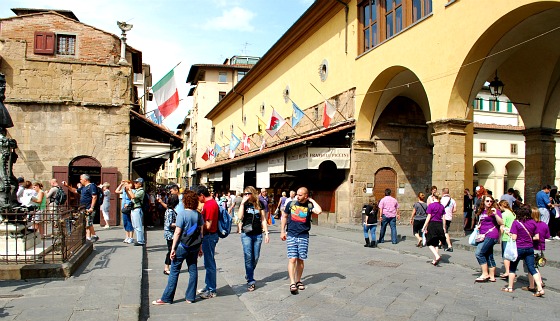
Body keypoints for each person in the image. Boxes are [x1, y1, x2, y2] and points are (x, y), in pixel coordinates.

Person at [152, 190, 203, 305]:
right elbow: (201, 233)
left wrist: (173, 248)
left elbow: (178, 233)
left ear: (185, 201)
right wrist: (200, 248)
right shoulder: (198, 215)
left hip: (182, 245)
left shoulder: (182, 214)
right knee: (193, 269)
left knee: (174, 270)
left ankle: (167, 298)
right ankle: (190, 297)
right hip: (194, 246)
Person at [281, 187, 322, 295]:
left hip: (303, 236)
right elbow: (284, 216)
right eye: (297, 194)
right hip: (291, 234)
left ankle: (298, 280)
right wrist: (282, 231)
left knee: (300, 259)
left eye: (300, 195)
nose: (297, 196)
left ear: (305, 196)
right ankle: (292, 282)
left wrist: (312, 200)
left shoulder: (309, 205)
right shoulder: (291, 204)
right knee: (292, 259)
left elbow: (319, 211)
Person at [503, 205, 545, 297]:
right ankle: (540, 289)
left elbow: (514, 237)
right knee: (532, 268)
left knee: (513, 268)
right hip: (529, 248)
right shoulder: (533, 222)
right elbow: (537, 237)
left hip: (518, 248)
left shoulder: (516, 223)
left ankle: (510, 287)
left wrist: (508, 233)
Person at [238, 186, 270, 291]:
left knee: (255, 257)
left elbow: (263, 219)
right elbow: (239, 217)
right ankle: (251, 280)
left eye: (248, 193)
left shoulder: (259, 203)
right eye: (245, 194)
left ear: (253, 193)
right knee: (248, 256)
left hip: (257, 234)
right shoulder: (244, 204)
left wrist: (266, 233)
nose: (246, 195)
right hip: (246, 234)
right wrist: (242, 203)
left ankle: (249, 273)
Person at [196, 185, 220, 299]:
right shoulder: (210, 204)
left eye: (198, 197)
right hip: (209, 236)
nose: (197, 200)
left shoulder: (210, 205)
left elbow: (208, 226)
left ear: (201, 195)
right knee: (208, 263)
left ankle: (211, 290)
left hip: (209, 236)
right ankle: (208, 285)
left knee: (209, 264)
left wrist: (199, 226)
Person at [474, 194, 503, 283]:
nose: (489, 203)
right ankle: (492, 276)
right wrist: (479, 226)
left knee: (479, 253)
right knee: (489, 255)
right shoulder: (482, 211)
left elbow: (501, 222)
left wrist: (495, 215)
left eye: (491, 201)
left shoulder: (495, 211)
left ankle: (485, 273)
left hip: (491, 235)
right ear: (484, 202)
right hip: (483, 235)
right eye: (487, 201)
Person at [64, 174, 99, 242]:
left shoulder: (91, 186)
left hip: (89, 207)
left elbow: (94, 197)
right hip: (84, 207)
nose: (80, 181)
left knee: (88, 222)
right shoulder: (83, 187)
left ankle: (94, 236)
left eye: (81, 179)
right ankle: (88, 237)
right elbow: (75, 191)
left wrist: (92, 207)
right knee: (87, 222)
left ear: (85, 179)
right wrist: (67, 186)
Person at [523, 207, 549, 292]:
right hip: (541, 248)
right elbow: (547, 236)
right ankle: (540, 282)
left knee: (530, 267)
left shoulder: (530, 224)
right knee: (535, 266)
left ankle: (532, 285)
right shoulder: (544, 224)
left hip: (531, 247)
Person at [422, 193, 446, 266]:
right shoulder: (442, 206)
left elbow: (428, 217)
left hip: (432, 224)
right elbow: (444, 218)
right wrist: (444, 227)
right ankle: (435, 259)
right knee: (436, 242)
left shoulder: (431, 206)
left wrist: (424, 226)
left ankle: (437, 255)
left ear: (433, 197)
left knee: (429, 242)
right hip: (439, 224)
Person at [497, 200, 515, 280]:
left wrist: (499, 237)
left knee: (505, 255)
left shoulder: (504, 214)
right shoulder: (513, 213)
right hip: (512, 235)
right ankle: (511, 271)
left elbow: (502, 226)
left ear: (501, 206)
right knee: (511, 254)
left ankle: (507, 271)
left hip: (506, 236)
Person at [125, 178, 146, 246]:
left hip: (137, 209)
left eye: (136, 183)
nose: (135, 184)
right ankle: (139, 239)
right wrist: (127, 191)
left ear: (140, 184)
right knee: (134, 225)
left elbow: (133, 197)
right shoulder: (137, 190)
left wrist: (130, 189)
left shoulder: (141, 191)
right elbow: (130, 197)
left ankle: (140, 241)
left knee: (138, 225)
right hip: (133, 209)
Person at [163, 194, 179, 275]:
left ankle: (171, 266)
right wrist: (179, 224)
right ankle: (166, 267)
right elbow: (169, 224)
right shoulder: (170, 211)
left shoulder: (170, 210)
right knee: (170, 250)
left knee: (172, 250)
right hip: (170, 234)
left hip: (171, 233)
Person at [440, 188, 456, 252]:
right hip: (449, 217)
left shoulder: (441, 200)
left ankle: (449, 246)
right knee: (443, 230)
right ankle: (440, 243)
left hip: (442, 217)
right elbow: (455, 210)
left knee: (445, 231)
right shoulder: (453, 200)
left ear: (443, 192)